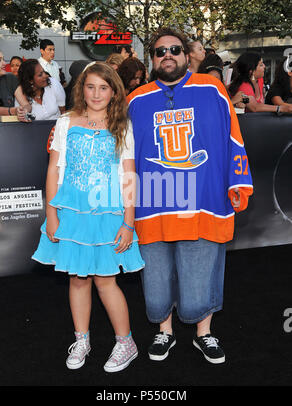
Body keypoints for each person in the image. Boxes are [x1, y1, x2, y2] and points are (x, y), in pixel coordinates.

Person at [127, 27, 253, 364]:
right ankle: (164, 332)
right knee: (155, 276)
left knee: (203, 270)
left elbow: (233, 137)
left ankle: (204, 333)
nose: (167, 55)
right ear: (151, 59)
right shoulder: (135, 99)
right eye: (160, 51)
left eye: (175, 49)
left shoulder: (212, 89)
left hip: (203, 200)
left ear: (186, 55)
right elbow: (121, 153)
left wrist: (237, 181)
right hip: (152, 203)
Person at [32, 61, 144, 372]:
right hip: (72, 212)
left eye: (103, 88)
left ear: (114, 92)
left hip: (108, 213)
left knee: (106, 281)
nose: (96, 93)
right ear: (82, 89)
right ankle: (82, 340)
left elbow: (128, 176)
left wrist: (128, 223)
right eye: (90, 86)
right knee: (77, 279)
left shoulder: (123, 125)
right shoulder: (66, 122)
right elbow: (54, 169)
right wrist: (51, 213)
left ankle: (126, 343)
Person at [0, 45, 31, 118]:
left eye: (3, 59)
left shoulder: (11, 78)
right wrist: (15, 111)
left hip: (11, 127)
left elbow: (26, 105)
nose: (4, 63)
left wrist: (24, 111)